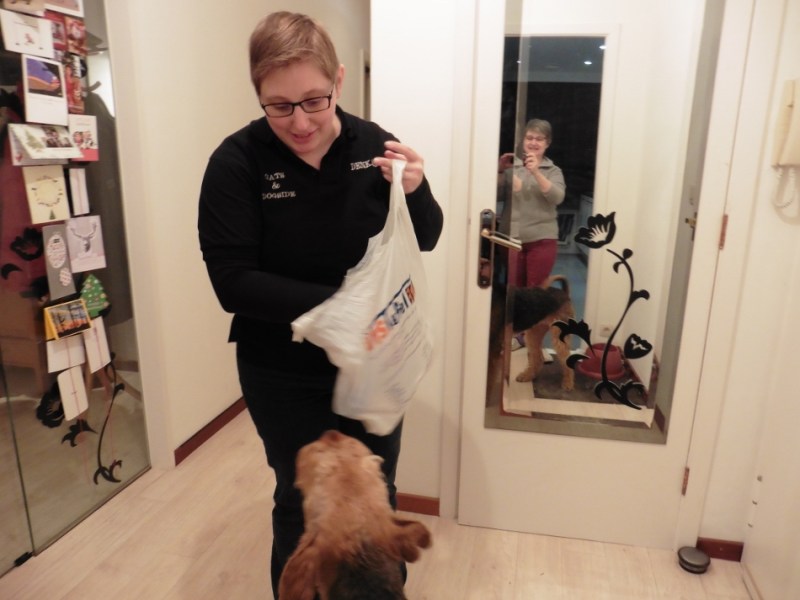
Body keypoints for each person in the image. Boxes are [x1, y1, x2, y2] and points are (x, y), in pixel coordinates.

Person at [197, 11, 443, 598]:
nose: (301, 121)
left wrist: (417, 190)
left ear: (338, 80)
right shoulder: (236, 163)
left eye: (315, 100)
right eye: (279, 106)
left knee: (376, 499)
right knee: (299, 501)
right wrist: (349, 306)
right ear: (258, 94)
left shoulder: (372, 144)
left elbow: (426, 236)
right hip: (282, 367)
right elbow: (233, 283)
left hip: (374, 360)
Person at [497, 118, 566, 288]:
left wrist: (536, 172)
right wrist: (500, 170)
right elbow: (495, 196)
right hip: (510, 240)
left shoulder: (553, 171)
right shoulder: (512, 169)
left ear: (547, 143)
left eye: (539, 139)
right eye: (529, 138)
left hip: (541, 241)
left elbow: (557, 198)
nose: (533, 142)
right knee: (514, 292)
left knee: (535, 292)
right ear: (523, 141)